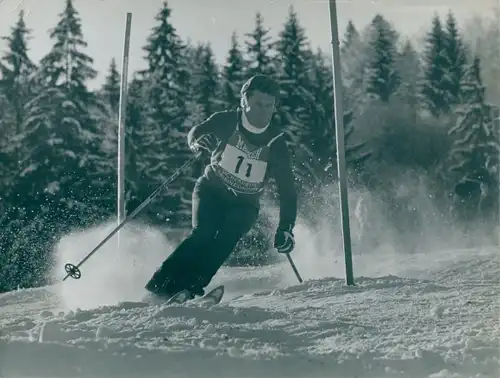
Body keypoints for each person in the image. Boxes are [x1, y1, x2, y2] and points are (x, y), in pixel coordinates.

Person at [145, 74, 297, 299]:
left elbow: (288, 190)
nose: (264, 111)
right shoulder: (227, 120)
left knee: (227, 237)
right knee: (203, 234)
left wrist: (286, 228)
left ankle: (191, 287)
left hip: (245, 203)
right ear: (244, 101)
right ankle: (160, 287)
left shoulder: (276, 142)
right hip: (211, 190)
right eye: (258, 104)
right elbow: (195, 132)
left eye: (269, 106)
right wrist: (197, 142)